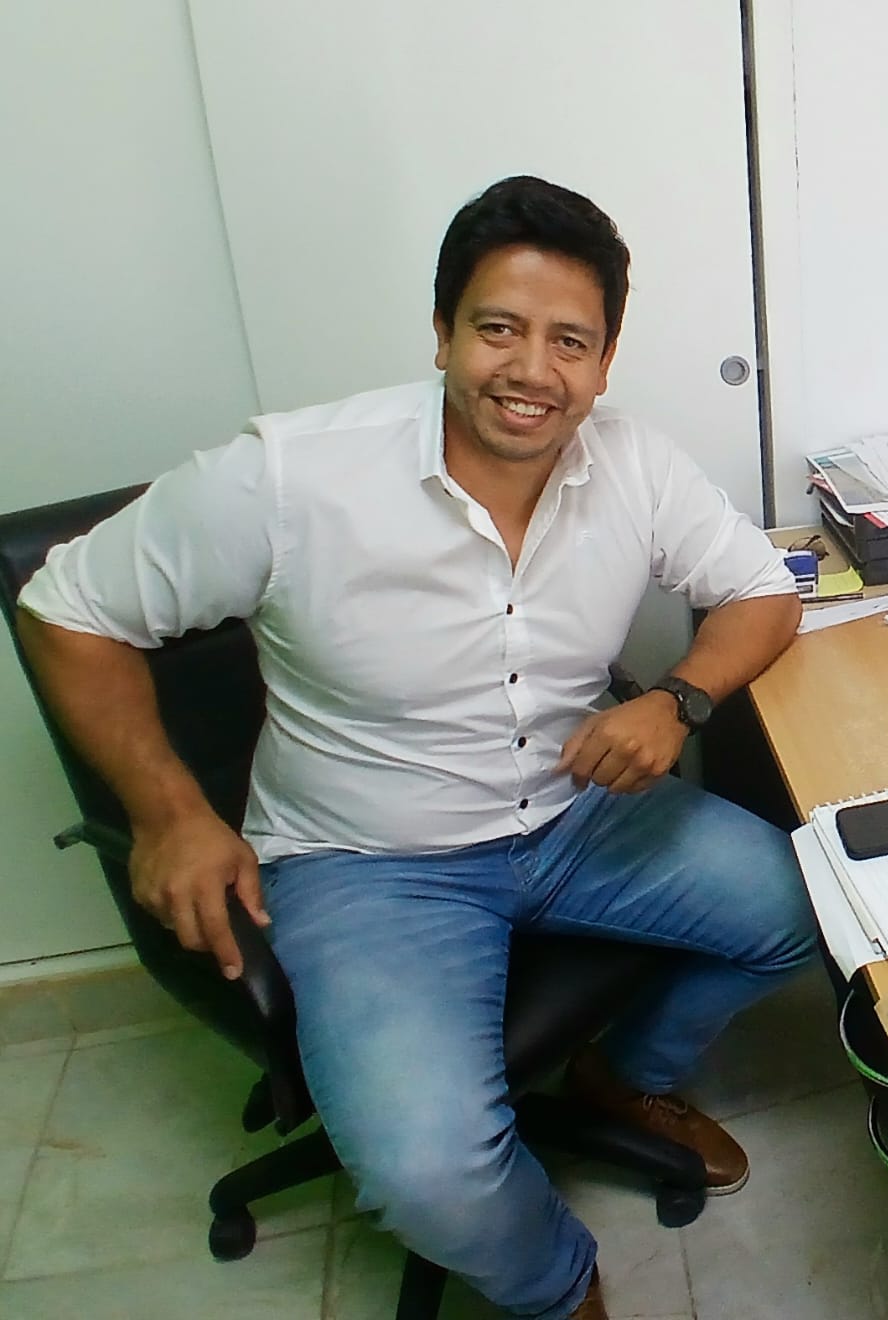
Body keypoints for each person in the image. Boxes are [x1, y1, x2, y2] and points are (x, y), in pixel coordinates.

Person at [17, 175, 816, 1320]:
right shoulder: (289, 476)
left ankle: (618, 1077)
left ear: (602, 363)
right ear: (442, 332)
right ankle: (557, 1284)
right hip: (369, 862)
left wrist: (677, 703)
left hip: (576, 815)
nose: (531, 370)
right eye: (498, 328)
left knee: (805, 909)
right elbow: (65, 608)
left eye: (568, 342)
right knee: (429, 1177)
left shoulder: (633, 462)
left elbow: (762, 592)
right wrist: (170, 813)